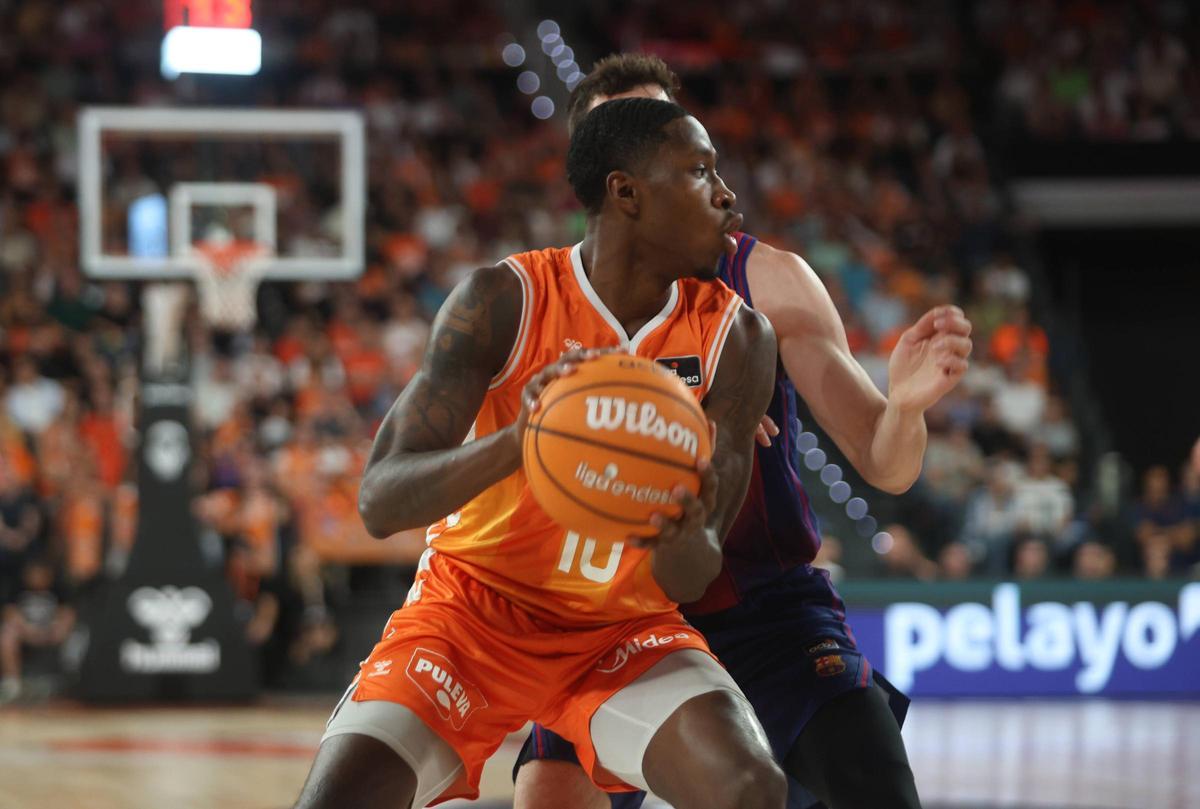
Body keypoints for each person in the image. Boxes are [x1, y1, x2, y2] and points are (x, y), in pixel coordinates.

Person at [292, 98, 785, 809]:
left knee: (750, 789)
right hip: (470, 615)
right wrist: (519, 444)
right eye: (699, 171)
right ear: (626, 192)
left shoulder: (738, 338)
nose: (727, 194)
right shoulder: (502, 299)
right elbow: (380, 499)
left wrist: (680, 534)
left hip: (621, 628)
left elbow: (693, 570)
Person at [514, 53, 973, 809]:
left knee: (878, 786)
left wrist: (905, 408)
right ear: (605, 176)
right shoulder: (545, 297)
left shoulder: (768, 279)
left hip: (766, 605)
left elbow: (886, 466)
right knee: (547, 795)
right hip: (611, 614)